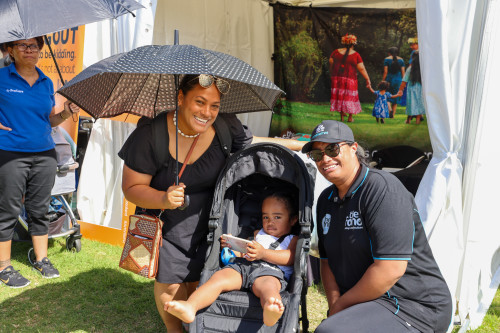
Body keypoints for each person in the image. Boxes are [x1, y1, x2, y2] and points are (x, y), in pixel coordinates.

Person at [118, 74, 305, 332]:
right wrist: (163, 197)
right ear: (181, 98)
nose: (207, 112)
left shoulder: (226, 127)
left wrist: (295, 145)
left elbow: (253, 146)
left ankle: (198, 326)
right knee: (171, 284)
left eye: (214, 105)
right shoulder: (152, 135)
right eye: (199, 102)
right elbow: (131, 188)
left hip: (214, 220)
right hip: (168, 222)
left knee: (201, 281)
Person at [301, 120, 452, 333]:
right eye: (317, 155)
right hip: (369, 303)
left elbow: (390, 269)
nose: (325, 159)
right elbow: (326, 262)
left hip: (414, 306)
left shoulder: (382, 189)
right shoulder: (326, 199)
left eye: (332, 148)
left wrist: (341, 307)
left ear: (353, 149)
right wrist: (334, 306)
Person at [0, 37, 80, 288]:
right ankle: (4, 266)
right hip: (11, 153)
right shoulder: (2, 78)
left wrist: (67, 112)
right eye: (22, 45)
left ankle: (41, 258)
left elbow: (49, 121)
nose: (29, 50)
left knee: (39, 209)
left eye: (34, 45)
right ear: (10, 50)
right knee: (8, 210)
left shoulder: (47, 82)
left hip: (45, 154)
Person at [164, 192, 298, 327]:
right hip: (243, 267)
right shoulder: (258, 233)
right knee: (218, 279)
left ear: (293, 220)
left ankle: (271, 308)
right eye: (265, 217)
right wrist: (232, 246)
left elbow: (291, 257)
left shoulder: (291, 239)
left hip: (269, 273)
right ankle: (191, 306)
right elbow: (244, 253)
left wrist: (263, 253)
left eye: (277, 217)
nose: (270, 222)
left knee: (268, 287)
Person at [329, 34, 371, 123]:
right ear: (353, 44)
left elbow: (331, 62)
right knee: (350, 97)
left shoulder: (335, 52)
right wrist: (367, 79)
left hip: (337, 79)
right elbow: (362, 68)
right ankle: (350, 117)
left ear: (344, 43)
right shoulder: (356, 55)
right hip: (350, 79)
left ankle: (342, 116)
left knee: (339, 96)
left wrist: (333, 73)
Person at [397, 51, 425, 124]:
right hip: (421, 88)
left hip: (411, 88)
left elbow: (404, 80)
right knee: (419, 104)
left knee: (411, 104)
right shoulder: (424, 68)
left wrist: (400, 90)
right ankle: (417, 120)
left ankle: (408, 120)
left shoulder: (410, 68)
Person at [382, 47, 405, 118]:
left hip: (389, 79)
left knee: (387, 95)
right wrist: (404, 82)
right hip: (398, 80)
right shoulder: (401, 60)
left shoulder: (386, 59)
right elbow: (403, 72)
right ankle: (393, 115)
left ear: (389, 53)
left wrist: (383, 80)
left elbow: (385, 72)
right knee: (396, 96)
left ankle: (390, 109)